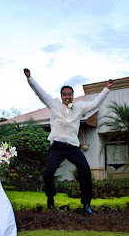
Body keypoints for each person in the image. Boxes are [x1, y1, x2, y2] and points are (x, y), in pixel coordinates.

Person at [23, 68, 114, 214]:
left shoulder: (79, 106)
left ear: (73, 96)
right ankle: (51, 198)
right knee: (48, 173)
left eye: (69, 94)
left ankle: (86, 203)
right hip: (57, 146)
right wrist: (30, 78)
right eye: (64, 95)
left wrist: (107, 88)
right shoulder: (54, 104)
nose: (67, 97)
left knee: (84, 170)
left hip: (72, 146)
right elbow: (40, 93)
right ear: (61, 96)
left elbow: (96, 103)